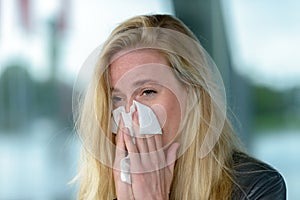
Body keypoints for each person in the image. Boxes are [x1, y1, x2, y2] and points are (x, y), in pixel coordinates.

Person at [73, 14, 286, 200]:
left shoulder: (256, 186)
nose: (130, 114)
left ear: (193, 95)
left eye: (147, 92)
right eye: (117, 99)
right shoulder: (102, 185)